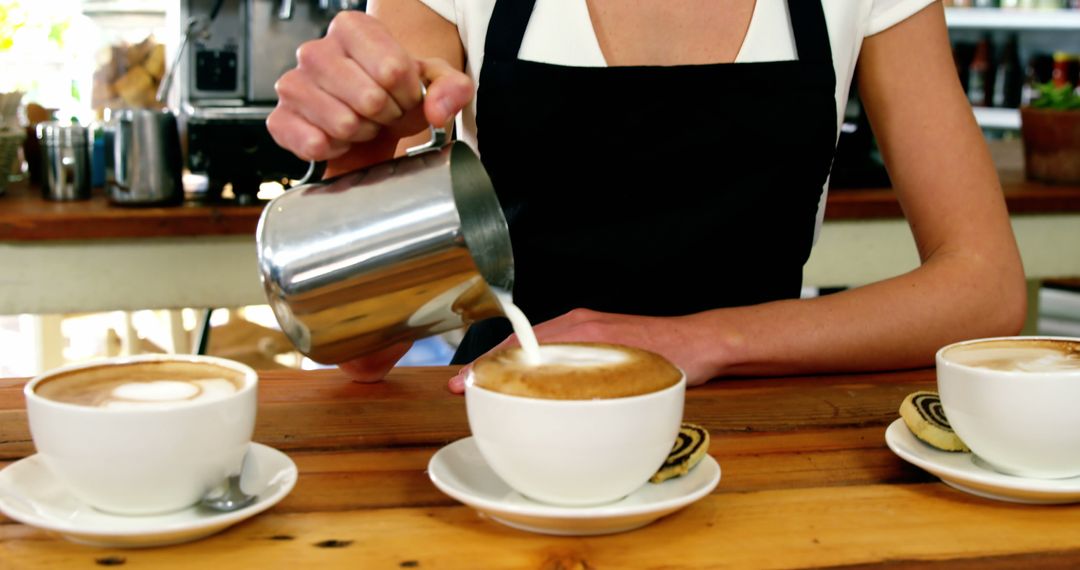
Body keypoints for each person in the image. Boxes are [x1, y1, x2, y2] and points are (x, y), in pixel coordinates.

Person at [267, 0, 1027, 393]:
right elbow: (366, 358)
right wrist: (366, 139)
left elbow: (985, 288)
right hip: (507, 421)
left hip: (766, 422)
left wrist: (709, 341)